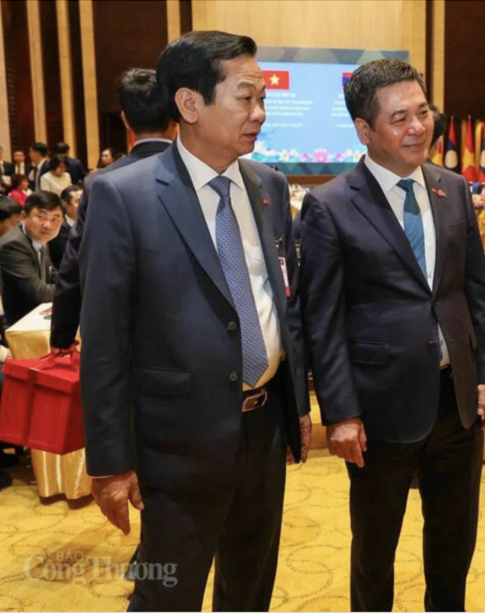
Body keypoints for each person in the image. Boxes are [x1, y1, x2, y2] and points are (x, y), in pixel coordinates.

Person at [78, 31, 311, 611]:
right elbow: (105, 339)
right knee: (166, 595)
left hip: (263, 433)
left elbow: (281, 302)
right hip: (173, 444)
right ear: (189, 104)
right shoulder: (122, 196)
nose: (259, 113)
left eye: (264, 99)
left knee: (249, 588)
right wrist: (110, 463)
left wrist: (295, 405)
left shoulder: (270, 188)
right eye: (245, 98)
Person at [300, 58, 485, 612]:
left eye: (422, 113)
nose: (419, 128)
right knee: (375, 546)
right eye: (400, 118)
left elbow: (473, 290)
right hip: (378, 408)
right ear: (365, 131)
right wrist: (340, 410)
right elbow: (322, 317)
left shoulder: (454, 189)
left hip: (456, 401)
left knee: (454, 541)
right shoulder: (330, 204)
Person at [50, 67, 177, 350]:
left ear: (125, 120)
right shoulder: (197, 176)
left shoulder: (101, 183)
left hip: (129, 336)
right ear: (176, 116)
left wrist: (62, 334)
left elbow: (74, 263)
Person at [0, 191, 63, 326]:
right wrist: (74, 289)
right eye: (41, 217)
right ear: (24, 216)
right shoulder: (14, 244)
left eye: (55, 219)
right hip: (19, 326)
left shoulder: (39, 238)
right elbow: (39, 294)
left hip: (38, 318)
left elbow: (52, 274)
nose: (48, 225)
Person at [48, 185, 82, 270]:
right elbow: (70, 257)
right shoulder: (59, 227)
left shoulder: (89, 222)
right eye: (78, 201)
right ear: (65, 205)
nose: (84, 204)